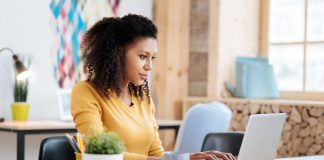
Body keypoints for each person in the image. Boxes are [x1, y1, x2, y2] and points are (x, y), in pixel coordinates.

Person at [71, 14, 236, 160]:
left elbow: (156, 155)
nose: (149, 66)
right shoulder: (86, 92)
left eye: (153, 58)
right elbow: (98, 155)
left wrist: (189, 158)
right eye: (143, 57)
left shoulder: (143, 98)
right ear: (118, 54)